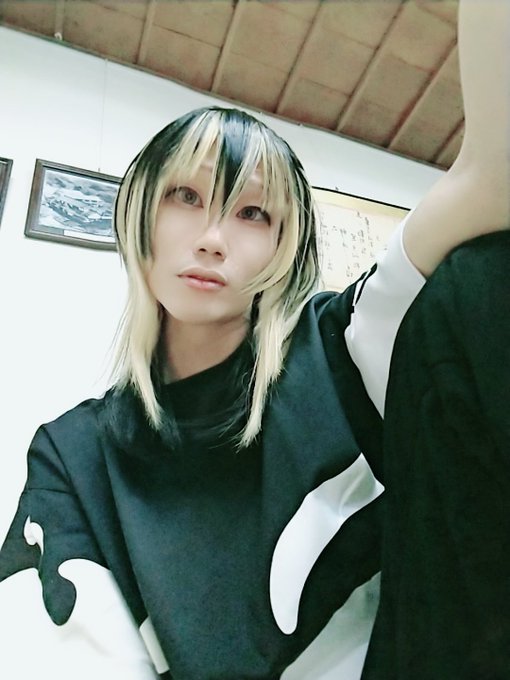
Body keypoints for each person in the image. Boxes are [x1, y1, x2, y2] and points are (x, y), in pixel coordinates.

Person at [0, 2, 508, 679]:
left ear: (283, 247)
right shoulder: (75, 453)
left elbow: (492, 175)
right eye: (186, 196)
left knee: (482, 275)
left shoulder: (337, 350)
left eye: (252, 212)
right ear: (138, 214)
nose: (213, 237)